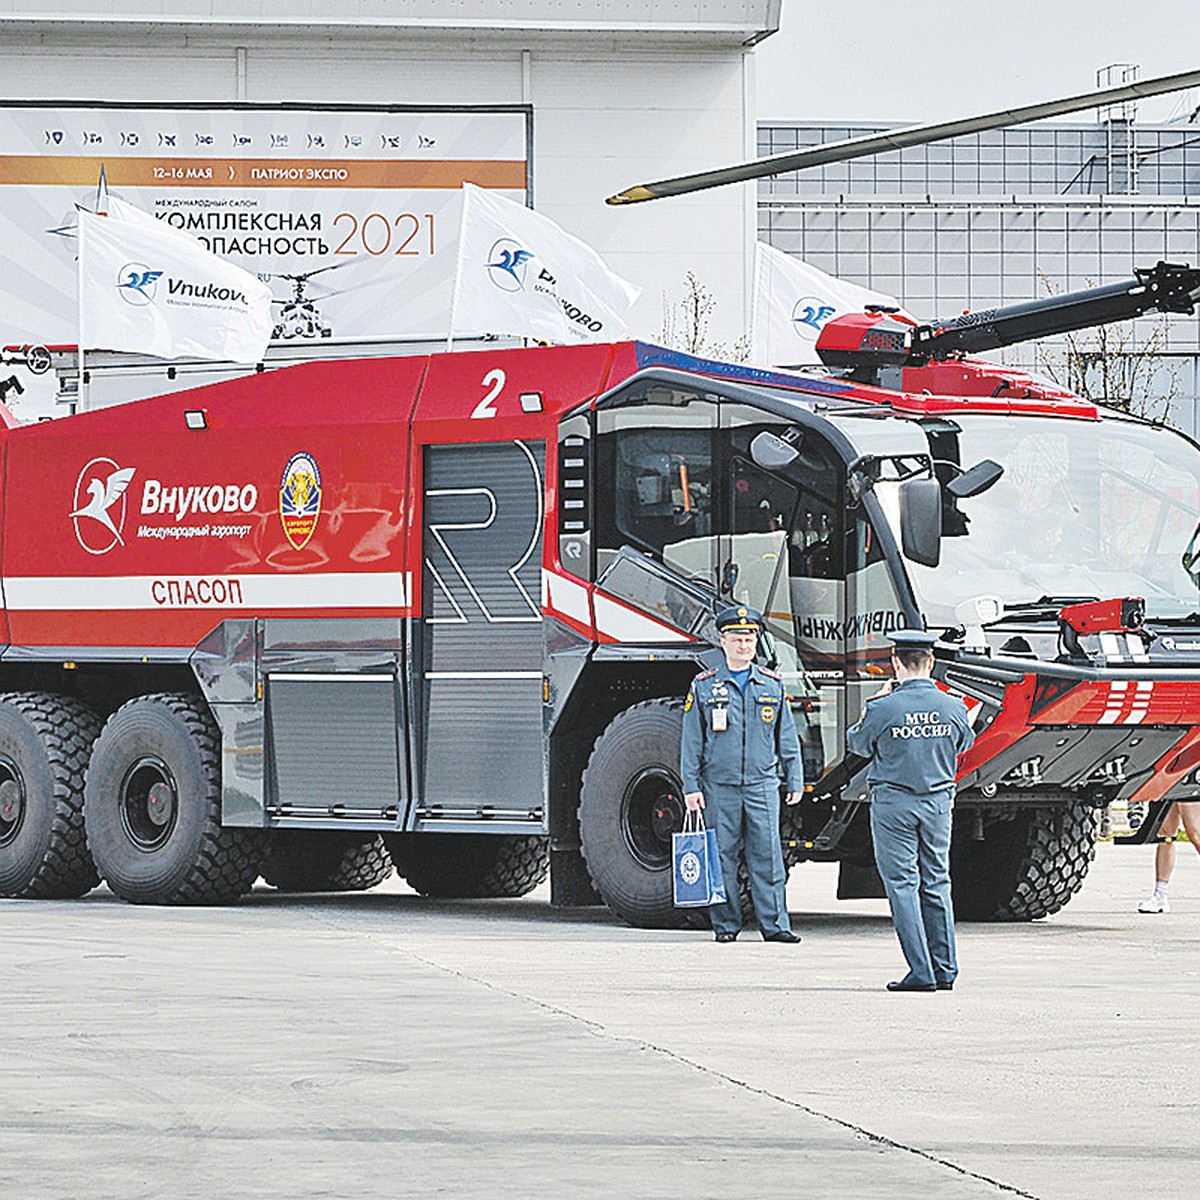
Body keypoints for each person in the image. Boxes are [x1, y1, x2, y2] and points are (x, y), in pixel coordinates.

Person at [847, 629, 975, 992]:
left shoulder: (883, 707)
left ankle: (920, 971)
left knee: (903, 885)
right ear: (931, 663)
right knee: (936, 882)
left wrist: (873, 703)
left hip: (894, 806)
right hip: (937, 804)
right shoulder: (953, 706)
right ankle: (945, 968)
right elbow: (964, 742)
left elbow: (858, 743)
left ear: (895, 663)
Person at [680, 604, 804, 943]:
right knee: (722, 856)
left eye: (749, 639)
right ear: (723, 642)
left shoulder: (772, 685)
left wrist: (794, 778)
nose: (743, 645)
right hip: (719, 786)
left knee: (768, 856)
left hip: (762, 785)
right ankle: (725, 925)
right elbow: (692, 740)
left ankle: (775, 926)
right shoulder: (704, 686)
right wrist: (691, 786)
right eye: (736, 639)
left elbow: (787, 737)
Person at [1137, 801, 1200, 913]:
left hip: (1189, 784)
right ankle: (1160, 895)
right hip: (1164, 785)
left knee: (1195, 833)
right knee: (1165, 836)